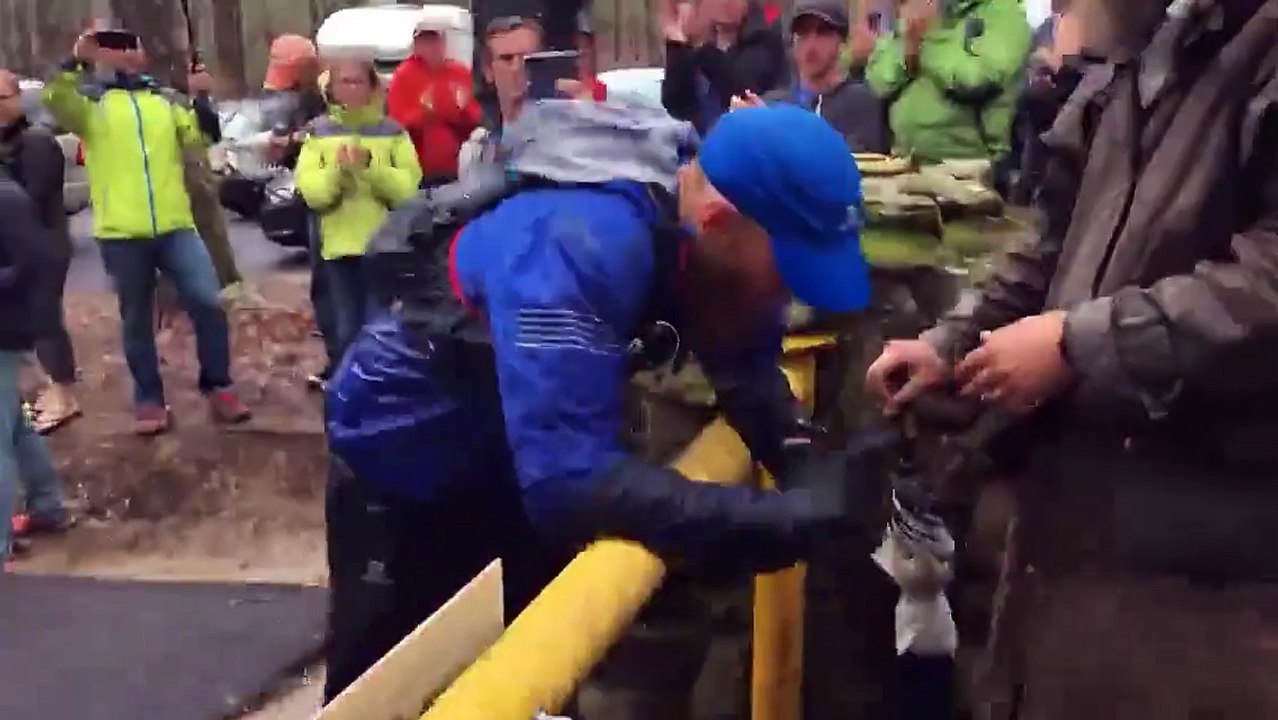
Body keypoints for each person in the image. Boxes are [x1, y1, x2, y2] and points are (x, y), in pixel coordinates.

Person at [324, 101, 888, 706]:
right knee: (394, 690)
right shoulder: (579, 240)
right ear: (720, 221)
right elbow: (568, 483)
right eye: (786, 273)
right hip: (403, 466)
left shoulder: (703, 229)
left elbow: (744, 365)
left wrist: (810, 461)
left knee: (538, 668)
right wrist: (782, 522)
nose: (788, 295)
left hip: (513, 448)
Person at [866, 1, 1278, 717]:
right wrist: (950, 344)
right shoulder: (1142, 54)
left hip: (1216, 559)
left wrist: (1076, 344)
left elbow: (1267, 284)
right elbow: (1050, 241)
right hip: (1080, 527)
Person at [43, 23, 250, 435]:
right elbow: (54, 97)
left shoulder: (165, 101)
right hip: (121, 233)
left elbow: (203, 135)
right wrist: (77, 60)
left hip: (175, 226)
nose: (122, 53)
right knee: (136, 318)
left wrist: (202, 95)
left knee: (208, 301)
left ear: (142, 54)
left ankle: (219, 384)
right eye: (111, 46)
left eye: (129, 44)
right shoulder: (89, 104)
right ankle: (149, 400)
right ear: (101, 55)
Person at [296, 58, 421, 364]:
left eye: (358, 81)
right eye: (344, 82)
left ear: (372, 87)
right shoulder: (318, 133)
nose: (351, 89)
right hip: (338, 249)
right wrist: (338, 173)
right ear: (333, 89)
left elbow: (408, 190)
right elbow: (312, 193)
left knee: (379, 330)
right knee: (346, 331)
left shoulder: (393, 132)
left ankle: (378, 396)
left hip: (383, 248)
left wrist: (370, 167)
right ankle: (346, 397)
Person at [0, 69, 81, 435]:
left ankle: (64, 395)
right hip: (20, 248)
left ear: (17, 99)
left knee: (45, 320)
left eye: (1, 99)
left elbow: (28, 199)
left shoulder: (36, 142)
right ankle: (48, 389)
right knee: (30, 321)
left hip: (44, 245)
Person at [0, 169, 71, 571]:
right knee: (16, 429)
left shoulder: (5, 198)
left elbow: (37, 261)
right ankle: (47, 505)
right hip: (12, 326)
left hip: (4, 329)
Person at [866, 0, 1030, 166]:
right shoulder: (919, 9)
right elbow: (878, 82)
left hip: (970, 168)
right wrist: (909, 49)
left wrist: (928, 38)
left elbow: (975, 79)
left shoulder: (1004, 13)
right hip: (902, 161)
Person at [763, 0, 889, 153]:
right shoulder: (774, 103)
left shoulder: (859, 101)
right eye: (803, 33)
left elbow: (851, 163)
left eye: (823, 32)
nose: (811, 44)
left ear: (842, 42)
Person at [660, 0, 791, 135]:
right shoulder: (701, 43)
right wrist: (678, 43)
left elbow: (742, 89)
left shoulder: (764, 35)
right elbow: (676, 105)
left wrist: (701, 46)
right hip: (705, 145)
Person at [387, 19, 481, 186]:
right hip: (418, 172)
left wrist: (463, 110)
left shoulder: (459, 72)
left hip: (456, 170)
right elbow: (396, 125)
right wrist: (424, 112)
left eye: (433, 40)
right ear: (415, 45)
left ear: (443, 43)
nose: (429, 46)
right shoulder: (403, 75)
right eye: (423, 41)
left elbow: (474, 120)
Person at [457, 15, 543, 179]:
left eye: (529, 58)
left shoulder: (569, 139)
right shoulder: (477, 152)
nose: (518, 67)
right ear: (488, 70)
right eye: (507, 59)